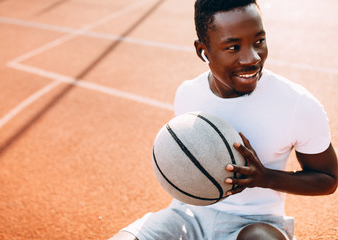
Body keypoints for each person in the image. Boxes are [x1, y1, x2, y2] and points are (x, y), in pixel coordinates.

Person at [109, 0, 338, 239]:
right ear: (202, 51)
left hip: (254, 223)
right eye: (233, 47)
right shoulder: (188, 94)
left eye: (259, 41)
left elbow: (328, 180)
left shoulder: (296, 104)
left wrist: (266, 178)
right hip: (186, 215)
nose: (252, 58)